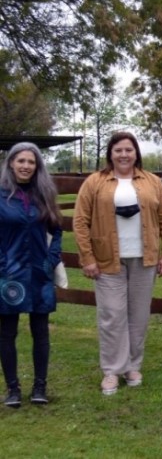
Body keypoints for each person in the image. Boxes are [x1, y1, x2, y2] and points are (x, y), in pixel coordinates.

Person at [72, 132, 162, 395]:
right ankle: (111, 370)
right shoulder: (95, 182)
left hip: (145, 259)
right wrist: (87, 258)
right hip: (107, 262)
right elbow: (80, 222)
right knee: (111, 316)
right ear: (110, 154)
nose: (123, 155)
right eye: (118, 150)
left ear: (136, 153)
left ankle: (132, 366)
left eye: (128, 150)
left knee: (138, 317)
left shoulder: (152, 182)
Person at [0, 143, 63, 407]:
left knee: (41, 331)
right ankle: (12, 388)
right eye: (21, 160)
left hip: (39, 273)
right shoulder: (1, 196)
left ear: (37, 166)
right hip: (8, 275)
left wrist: (50, 260)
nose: (26, 166)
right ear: (11, 163)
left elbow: (57, 231)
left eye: (32, 162)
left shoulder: (44, 196)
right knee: (6, 332)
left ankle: (40, 387)